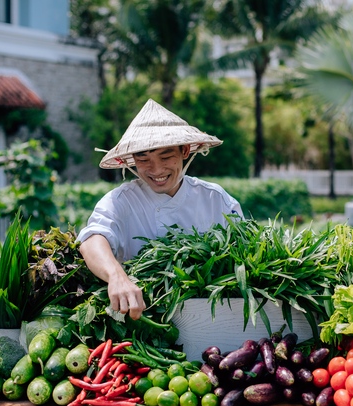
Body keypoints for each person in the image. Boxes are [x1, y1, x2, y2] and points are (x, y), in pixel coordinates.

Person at [78, 98, 243, 320]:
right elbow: (92, 240)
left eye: (165, 156)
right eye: (143, 159)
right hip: (142, 319)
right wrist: (117, 276)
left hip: (210, 318)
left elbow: (244, 253)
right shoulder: (120, 201)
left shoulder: (216, 200)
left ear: (184, 151)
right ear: (132, 159)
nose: (156, 170)